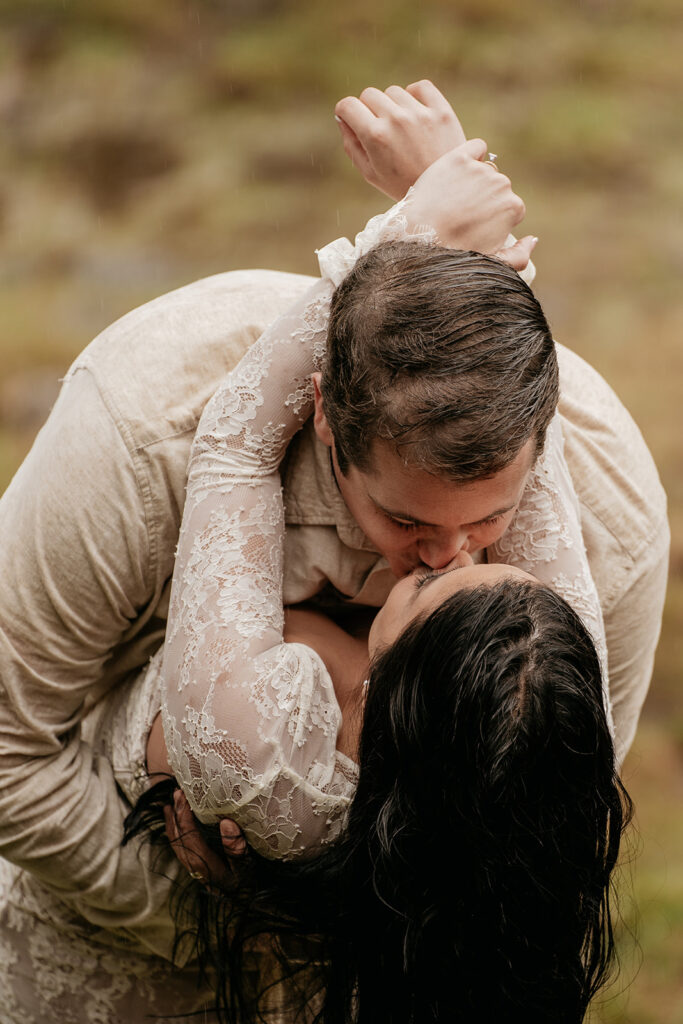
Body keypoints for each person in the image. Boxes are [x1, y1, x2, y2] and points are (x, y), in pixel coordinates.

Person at [0, 82, 665, 1018]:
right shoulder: (144, 423)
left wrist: (407, 228)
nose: (450, 564)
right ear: (322, 414)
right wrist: (470, 259)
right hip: (110, 932)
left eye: (485, 526)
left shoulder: (261, 740)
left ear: (380, 693)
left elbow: (237, 443)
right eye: (410, 526)